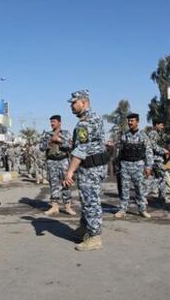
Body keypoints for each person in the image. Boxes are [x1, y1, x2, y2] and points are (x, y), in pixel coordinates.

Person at [64, 90, 108, 251]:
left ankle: (94, 237)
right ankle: (85, 229)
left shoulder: (85, 122)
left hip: (90, 168)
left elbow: (81, 149)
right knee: (87, 199)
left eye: (73, 103)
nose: (71, 106)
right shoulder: (95, 117)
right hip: (95, 166)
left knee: (90, 201)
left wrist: (69, 172)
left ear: (84, 102)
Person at [114, 113, 153, 219]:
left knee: (140, 189)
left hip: (139, 166)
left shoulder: (143, 136)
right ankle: (123, 209)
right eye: (129, 121)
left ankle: (142, 209)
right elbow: (118, 152)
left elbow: (149, 151)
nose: (130, 123)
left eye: (132, 121)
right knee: (124, 189)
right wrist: (117, 166)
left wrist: (148, 166)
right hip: (125, 166)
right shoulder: (123, 136)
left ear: (137, 122)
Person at [39, 115, 74, 216]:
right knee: (53, 184)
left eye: (54, 121)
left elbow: (71, 145)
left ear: (59, 122)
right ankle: (54, 206)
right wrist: (49, 141)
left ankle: (67, 206)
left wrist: (59, 140)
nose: (52, 123)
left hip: (63, 160)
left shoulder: (66, 133)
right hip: (51, 161)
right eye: (51, 122)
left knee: (66, 183)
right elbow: (41, 147)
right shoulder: (47, 135)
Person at [147, 120, 170, 203]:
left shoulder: (158, 134)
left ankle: (162, 196)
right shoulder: (153, 133)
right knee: (159, 178)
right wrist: (163, 150)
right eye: (161, 125)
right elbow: (153, 146)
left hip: (159, 158)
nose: (162, 127)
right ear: (156, 125)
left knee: (161, 178)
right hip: (155, 159)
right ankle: (143, 194)